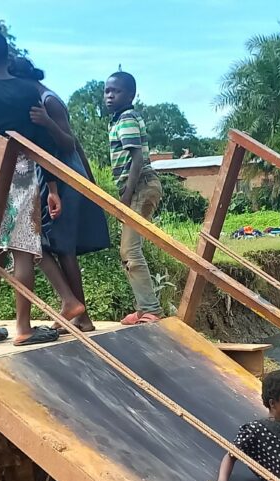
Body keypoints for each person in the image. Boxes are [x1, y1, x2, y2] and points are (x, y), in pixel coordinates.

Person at [0, 23, 64, 347]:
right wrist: (54, 188)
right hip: (22, 167)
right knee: (22, 250)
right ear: (7, 56)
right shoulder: (28, 90)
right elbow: (42, 140)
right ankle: (22, 327)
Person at [11, 56, 110, 333]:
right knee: (53, 245)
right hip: (55, 179)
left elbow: (68, 142)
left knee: (61, 247)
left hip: (64, 179)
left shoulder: (48, 102)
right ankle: (78, 312)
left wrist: (46, 122)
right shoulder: (38, 100)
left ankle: (78, 311)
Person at [105, 71, 163, 326]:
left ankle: (150, 309)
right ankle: (143, 309)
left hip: (140, 186)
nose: (108, 96)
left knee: (130, 249)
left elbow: (137, 158)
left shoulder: (127, 118)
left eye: (115, 91)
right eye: (106, 91)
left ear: (130, 95)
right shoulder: (118, 120)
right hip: (137, 187)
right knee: (128, 250)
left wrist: (126, 196)